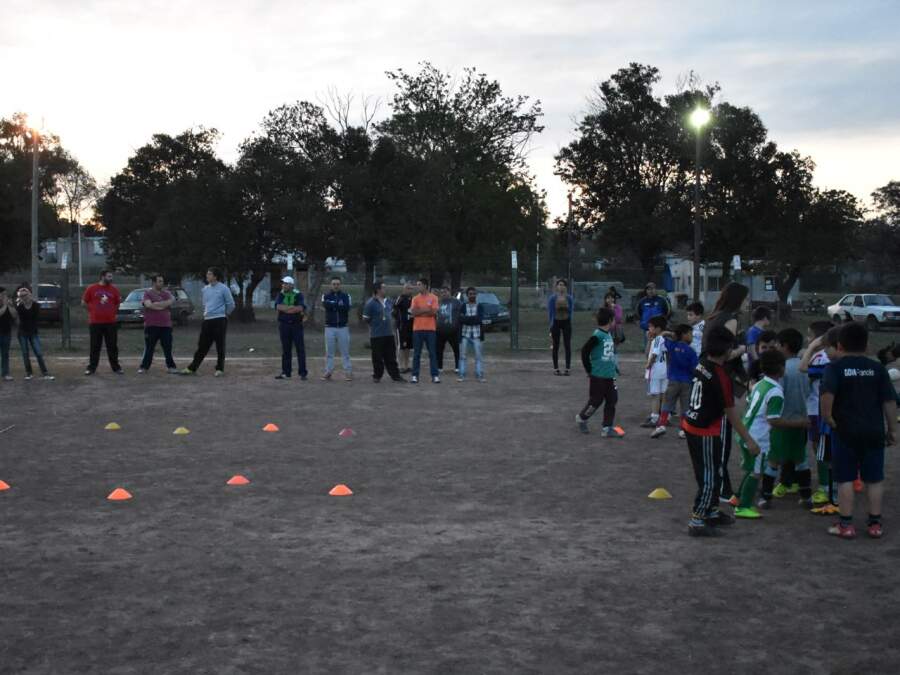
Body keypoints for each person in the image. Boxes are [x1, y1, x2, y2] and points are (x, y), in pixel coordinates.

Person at [820, 322, 897, 539]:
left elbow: (827, 396)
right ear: (867, 345)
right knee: (874, 478)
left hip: (845, 430)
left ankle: (846, 525)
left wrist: (828, 418)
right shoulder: (878, 368)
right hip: (873, 430)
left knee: (845, 478)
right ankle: (875, 524)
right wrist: (892, 429)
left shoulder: (834, 368)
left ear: (840, 345)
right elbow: (889, 401)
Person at [681, 325, 760, 537]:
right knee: (710, 476)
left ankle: (712, 511)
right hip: (704, 430)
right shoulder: (720, 375)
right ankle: (698, 520)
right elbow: (732, 413)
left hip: (694, 424)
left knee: (714, 470)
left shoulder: (702, 363)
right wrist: (749, 440)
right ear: (727, 351)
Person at [703, 282, 750, 505]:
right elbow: (725, 353)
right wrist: (742, 350)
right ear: (738, 299)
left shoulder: (714, 316)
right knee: (722, 436)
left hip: (707, 376)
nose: (748, 303)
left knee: (716, 433)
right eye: (746, 298)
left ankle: (719, 485)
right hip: (720, 378)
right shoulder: (730, 319)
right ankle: (722, 489)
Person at [762, 328, 812, 508]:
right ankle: (806, 496)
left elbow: (776, 392)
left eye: (778, 344)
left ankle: (765, 496)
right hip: (801, 421)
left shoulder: (782, 369)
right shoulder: (803, 367)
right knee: (801, 459)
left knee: (774, 460)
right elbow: (808, 392)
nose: (775, 346)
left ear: (785, 346)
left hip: (782, 422)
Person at [734, 350, 787, 519]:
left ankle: (737, 498)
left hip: (746, 431)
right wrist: (799, 423)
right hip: (758, 438)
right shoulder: (776, 391)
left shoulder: (759, 384)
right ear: (781, 369)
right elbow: (774, 420)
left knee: (750, 468)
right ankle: (743, 507)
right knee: (756, 472)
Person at [799, 320, 835, 507]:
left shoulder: (821, 357)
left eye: (810, 336)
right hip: (824, 407)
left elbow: (803, 368)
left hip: (817, 410)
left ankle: (825, 488)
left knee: (820, 449)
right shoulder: (830, 356)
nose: (808, 339)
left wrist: (810, 348)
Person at [181, 267, 235, 376]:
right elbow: (205, 304)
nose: (207, 276)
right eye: (207, 274)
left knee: (220, 345)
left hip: (220, 320)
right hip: (207, 320)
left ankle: (220, 369)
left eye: (210, 274)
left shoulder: (224, 288)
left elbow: (231, 304)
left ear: (215, 276)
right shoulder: (205, 289)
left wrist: (225, 314)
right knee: (202, 345)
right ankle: (192, 368)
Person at [575, 308, 620, 437]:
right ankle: (582, 418)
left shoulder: (608, 334)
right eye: (614, 320)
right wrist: (589, 370)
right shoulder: (598, 335)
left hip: (610, 375)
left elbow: (607, 354)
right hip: (598, 376)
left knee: (612, 399)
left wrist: (614, 367)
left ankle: (607, 428)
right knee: (596, 401)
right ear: (610, 320)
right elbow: (585, 351)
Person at [651, 324, 698, 439]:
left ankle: (661, 426)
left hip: (673, 381)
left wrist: (670, 334)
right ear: (684, 335)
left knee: (667, 404)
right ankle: (683, 429)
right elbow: (695, 368)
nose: (692, 336)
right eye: (690, 334)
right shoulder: (691, 351)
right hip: (687, 382)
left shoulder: (672, 345)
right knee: (685, 407)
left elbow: (661, 336)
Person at [82, 269, 122, 375]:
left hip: (110, 322)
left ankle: (116, 367)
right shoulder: (92, 288)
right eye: (109, 276)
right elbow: (83, 302)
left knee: (112, 346)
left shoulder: (114, 290)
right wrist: (92, 310)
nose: (111, 278)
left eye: (111, 276)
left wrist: (112, 312)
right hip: (95, 322)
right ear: (102, 277)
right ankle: (91, 368)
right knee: (95, 346)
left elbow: (118, 303)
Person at [363, 282, 403, 383]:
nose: (386, 289)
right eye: (384, 288)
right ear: (378, 290)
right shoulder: (370, 303)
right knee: (377, 357)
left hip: (389, 334)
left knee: (391, 356)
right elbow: (366, 319)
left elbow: (392, 313)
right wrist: (375, 325)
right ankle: (377, 375)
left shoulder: (388, 301)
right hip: (376, 334)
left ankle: (395, 376)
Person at [138, 274, 178, 374]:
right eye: (159, 281)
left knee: (167, 347)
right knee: (149, 348)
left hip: (166, 326)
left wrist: (156, 304)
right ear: (154, 282)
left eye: (162, 281)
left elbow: (170, 302)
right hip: (151, 325)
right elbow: (148, 305)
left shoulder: (166, 293)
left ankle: (171, 367)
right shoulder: (147, 293)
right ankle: (144, 367)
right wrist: (162, 305)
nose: (162, 283)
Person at [15, 285, 54, 380]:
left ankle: (45, 372)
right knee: (25, 353)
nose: (24, 297)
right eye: (22, 296)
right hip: (22, 332)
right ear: (20, 297)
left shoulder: (36, 305)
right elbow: (20, 319)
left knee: (39, 353)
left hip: (33, 332)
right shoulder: (20, 307)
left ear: (30, 295)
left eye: (26, 295)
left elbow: (35, 319)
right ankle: (29, 373)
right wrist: (19, 303)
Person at [274, 276, 308, 380]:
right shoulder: (281, 294)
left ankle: (302, 373)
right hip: (284, 325)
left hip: (296, 325)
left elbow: (300, 308)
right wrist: (291, 308)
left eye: (286, 283)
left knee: (300, 349)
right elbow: (278, 307)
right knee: (286, 349)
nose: (283, 285)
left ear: (291, 285)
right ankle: (286, 372)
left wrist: (286, 309)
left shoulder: (298, 294)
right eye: (283, 283)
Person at [321, 276, 352, 381]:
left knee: (345, 352)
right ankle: (328, 372)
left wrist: (333, 304)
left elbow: (346, 308)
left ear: (340, 285)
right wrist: (337, 304)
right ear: (331, 285)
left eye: (337, 284)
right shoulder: (325, 295)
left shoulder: (346, 296)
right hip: (329, 327)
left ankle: (348, 372)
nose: (336, 286)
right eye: (334, 284)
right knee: (329, 352)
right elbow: (326, 305)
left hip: (343, 327)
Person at [410, 278, 440, 384]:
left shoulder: (434, 297)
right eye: (417, 285)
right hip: (417, 329)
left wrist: (420, 311)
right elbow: (413, 313)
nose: (417, 287)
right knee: (416, 354)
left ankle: (435, 375)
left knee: (432, 353)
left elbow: (434, 312)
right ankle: (415, 375)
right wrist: (427, 309)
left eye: (419, 285)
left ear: (425, 286)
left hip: (430, 330)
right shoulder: (415, 298)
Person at [642, 316, 668, 429]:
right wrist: (649, 340)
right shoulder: (663, 339)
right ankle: (664, 417)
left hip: (655, 371)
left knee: (655, 395)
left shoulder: (658, 339)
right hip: (665, 370)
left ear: (658, 329)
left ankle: (654, 418)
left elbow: (653, 354)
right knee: (663, 395)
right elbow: (648, 352)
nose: (649, 329)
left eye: (651, 327)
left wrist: (649, 364)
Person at [458, 286, 486, 383]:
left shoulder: (480, 306)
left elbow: (479, 319)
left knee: (478, 356)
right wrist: (473, 319)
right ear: (467, 295)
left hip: (477, 335)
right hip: (465, 334)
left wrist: (467, 319)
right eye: (470, 294)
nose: (472, 295)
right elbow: (460, 319)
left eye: (474, 294)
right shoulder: (463, 306)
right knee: (463, 356)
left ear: (476, 295)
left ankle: (479, 374)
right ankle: (461, 374)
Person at [548, 279, 574, 376]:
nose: (561, 287)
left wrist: (566, 308)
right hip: (556, 322)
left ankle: (567, 368)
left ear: (566, 287)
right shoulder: (552, 298)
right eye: (559, 285)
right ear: (556, 287)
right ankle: (556, 368)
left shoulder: (569, 298)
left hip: (566, 322)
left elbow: (571, 311)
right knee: (556, 345)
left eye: (563, 285)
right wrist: (551, 325)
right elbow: (550, 312)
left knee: (567, 345)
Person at [436, 286, 462, 373]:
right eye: (442, 292)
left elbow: (461, 313)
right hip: (440, 331)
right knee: (439, 350)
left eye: (445, 291)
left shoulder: (456, 302)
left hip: (453, 330)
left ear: (449, 292)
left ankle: (458, 367)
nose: (444, 293)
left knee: (456, 349)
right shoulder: (438, 302)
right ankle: (439, 367)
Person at [636, 282, 670, 348]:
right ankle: (649, 358)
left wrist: (664, 321)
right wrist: (641, 322)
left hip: (659, 328)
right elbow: (638, 313)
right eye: (649, 289)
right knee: (648, 347)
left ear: (656, 290)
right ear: (646, 291)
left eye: (653, 289)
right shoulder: (642, 301)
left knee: (660, 347)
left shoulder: (662, 300)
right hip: (647, 328)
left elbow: (668, 312)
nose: (651, 291)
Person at [392, 283, 414, 374]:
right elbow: (394, 310)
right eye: (408, 288)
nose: (410, 290)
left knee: (408, 346)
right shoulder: (400, 298)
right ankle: (400, 366)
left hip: (410, 326)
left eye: (411, 289)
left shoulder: (413, 299)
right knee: (401, 346)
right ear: (404, 289)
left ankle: (406, 365)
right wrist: (400, 319)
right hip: (401, 326)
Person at [0, 287, 16, 381]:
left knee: (5, 354)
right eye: (3, 294)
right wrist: (5, 305)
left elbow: (14, 315)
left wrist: (10, 306)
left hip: (6, 333)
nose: (5, 296)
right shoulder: (4, 305)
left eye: (5, 294)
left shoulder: (9, 305)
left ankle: (5, 373)